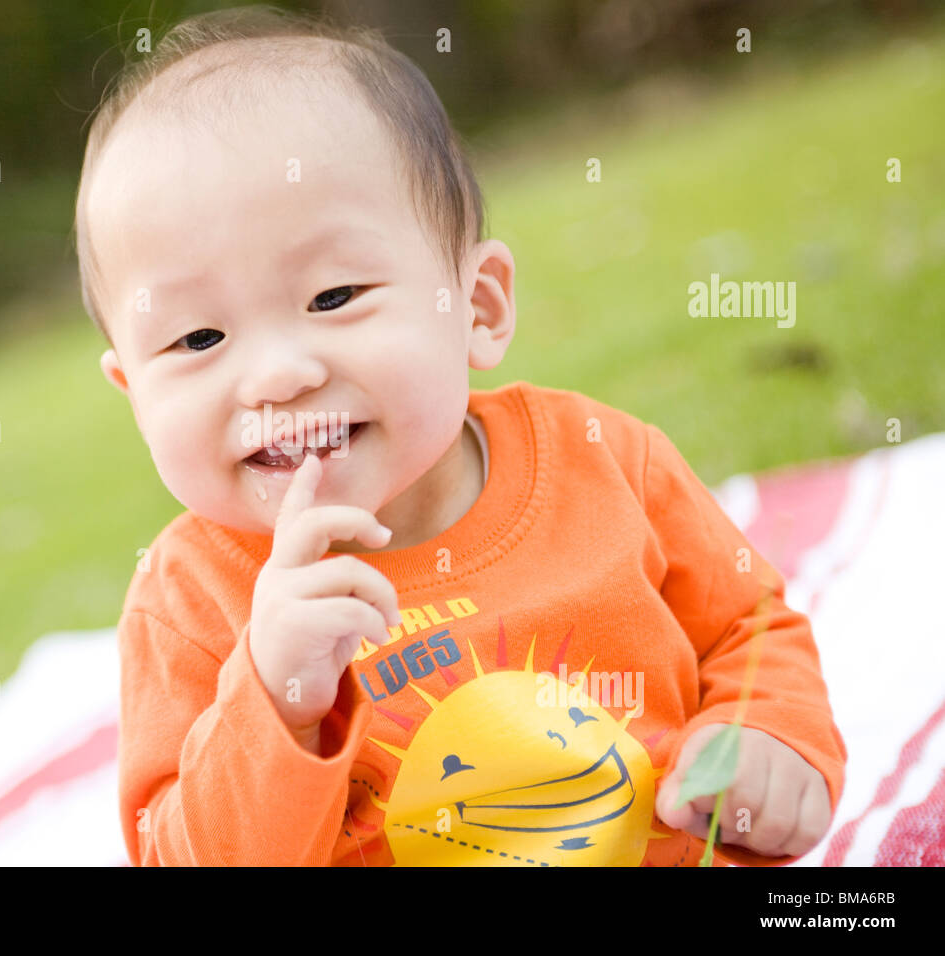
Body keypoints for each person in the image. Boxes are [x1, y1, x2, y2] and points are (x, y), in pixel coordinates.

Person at [74, 5, 845, 866]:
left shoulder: (604, 458)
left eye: (333, 297)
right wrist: (275, 699)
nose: (276, 376)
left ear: (476, 307)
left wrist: (767, 738)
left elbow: (749, 630)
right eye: (198, 340)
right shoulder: (191, 599)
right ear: (133, 391)